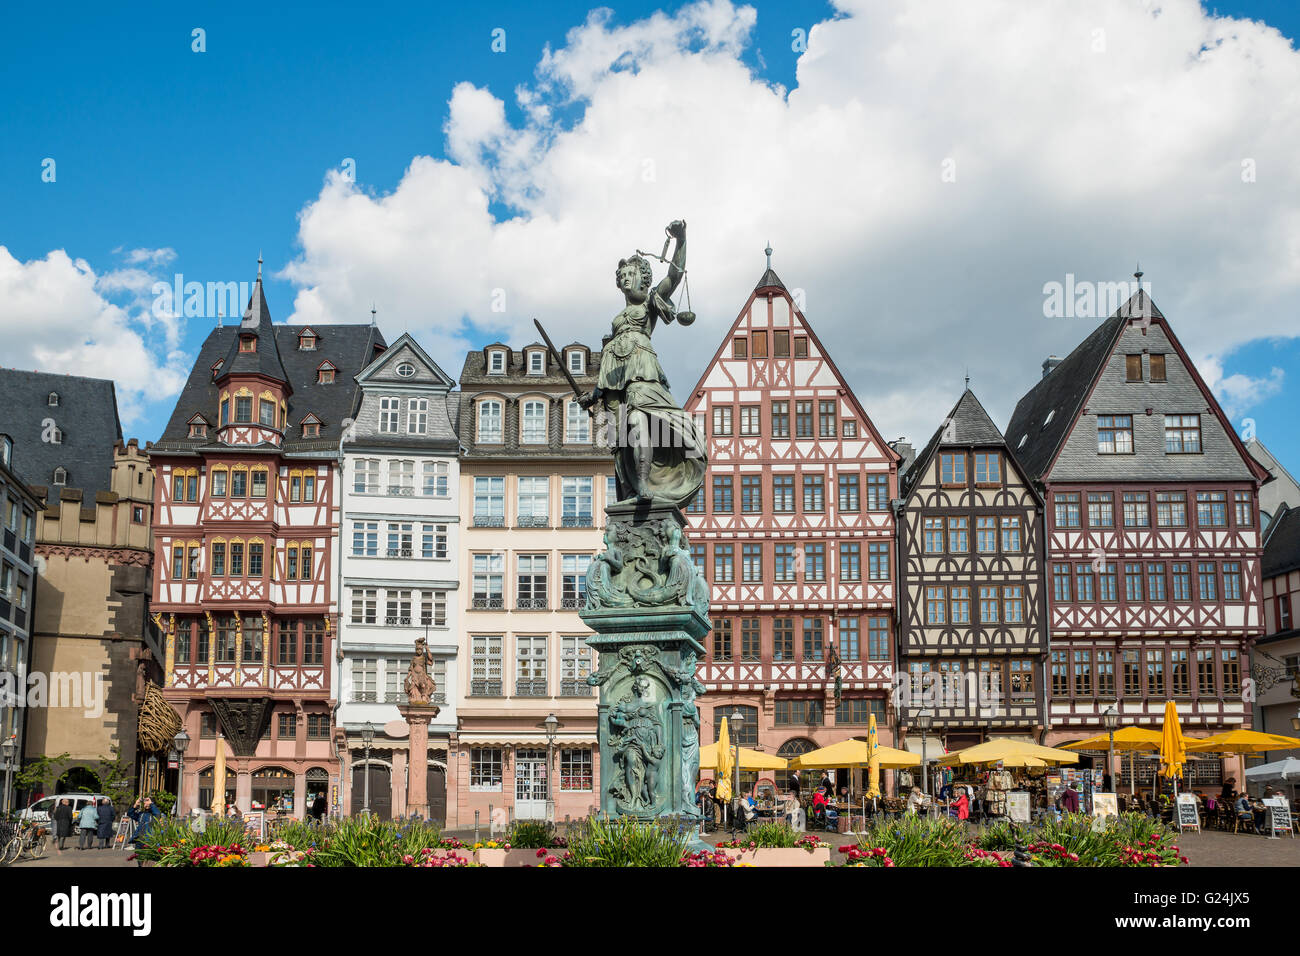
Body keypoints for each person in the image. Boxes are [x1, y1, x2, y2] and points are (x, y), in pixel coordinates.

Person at [128, 796, 164, 866]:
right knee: (139, 860)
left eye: (148, 801)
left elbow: (157, 814)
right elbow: (130, 814)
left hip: (149, 841)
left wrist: (151, 804)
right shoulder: (142, 814)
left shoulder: (155, 814)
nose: (146, 803)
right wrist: (135, 805)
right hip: (139, 841)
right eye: (145, 802)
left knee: (148, 861)